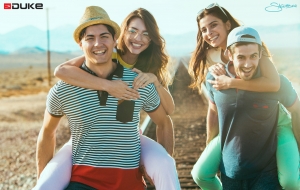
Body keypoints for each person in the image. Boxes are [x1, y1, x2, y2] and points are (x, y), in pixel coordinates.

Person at [34, 7, 181, 190]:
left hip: (128, 159)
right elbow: (60, 73)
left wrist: (156, 82)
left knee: (165, 164)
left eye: (104, 36)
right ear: (81, 44)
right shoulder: (65, 88)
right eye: (90, 38)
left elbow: (167, 116)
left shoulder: (142, 78)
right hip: (83, 170)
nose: (98, 44)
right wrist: (108, 86)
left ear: (113, 40)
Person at [189, 3, 300, 190]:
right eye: (204, 30)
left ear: (227, 25)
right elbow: (213, 108)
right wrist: (210, 143)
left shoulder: (256, 52)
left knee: (289, 180)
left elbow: (274, 85)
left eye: (213, 25)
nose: (209, 32)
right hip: (234, 124)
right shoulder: (217, 67)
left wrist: (231, 83)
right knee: (199, 173)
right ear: (230, 55)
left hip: (272, 120)